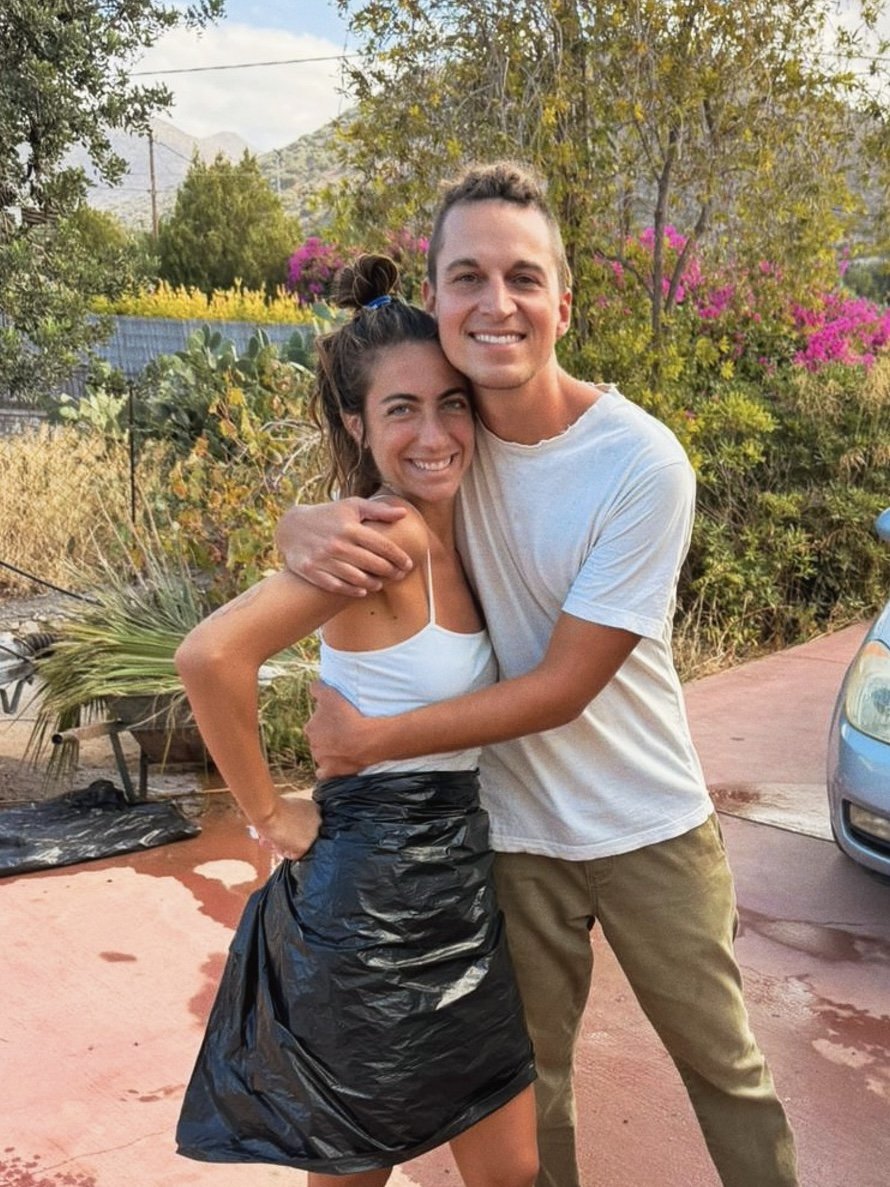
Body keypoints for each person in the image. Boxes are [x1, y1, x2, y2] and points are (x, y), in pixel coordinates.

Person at [275, 164, 800, 1187]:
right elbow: (361, 478)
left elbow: (565, 686)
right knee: (529, 1083)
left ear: (564, 302)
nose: (496, 302)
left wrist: (370, 740)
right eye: (467, 276)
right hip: (509, 834)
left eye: (522, 276)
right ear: (436, 298)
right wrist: (296, 524)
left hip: (647, 824)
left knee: (725, 1070)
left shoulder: (640, 463)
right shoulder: (446, 445)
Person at [173, 254, 538, 1187]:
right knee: (354, 1170)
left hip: (457, 882)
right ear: (356, 424)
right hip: (368, 906)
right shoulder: (384, 536)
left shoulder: (459, 525)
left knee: (508, 1164)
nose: (435, 432)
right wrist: (270, 814)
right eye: (401, 409)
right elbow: (211, 656)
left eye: (451, 403)